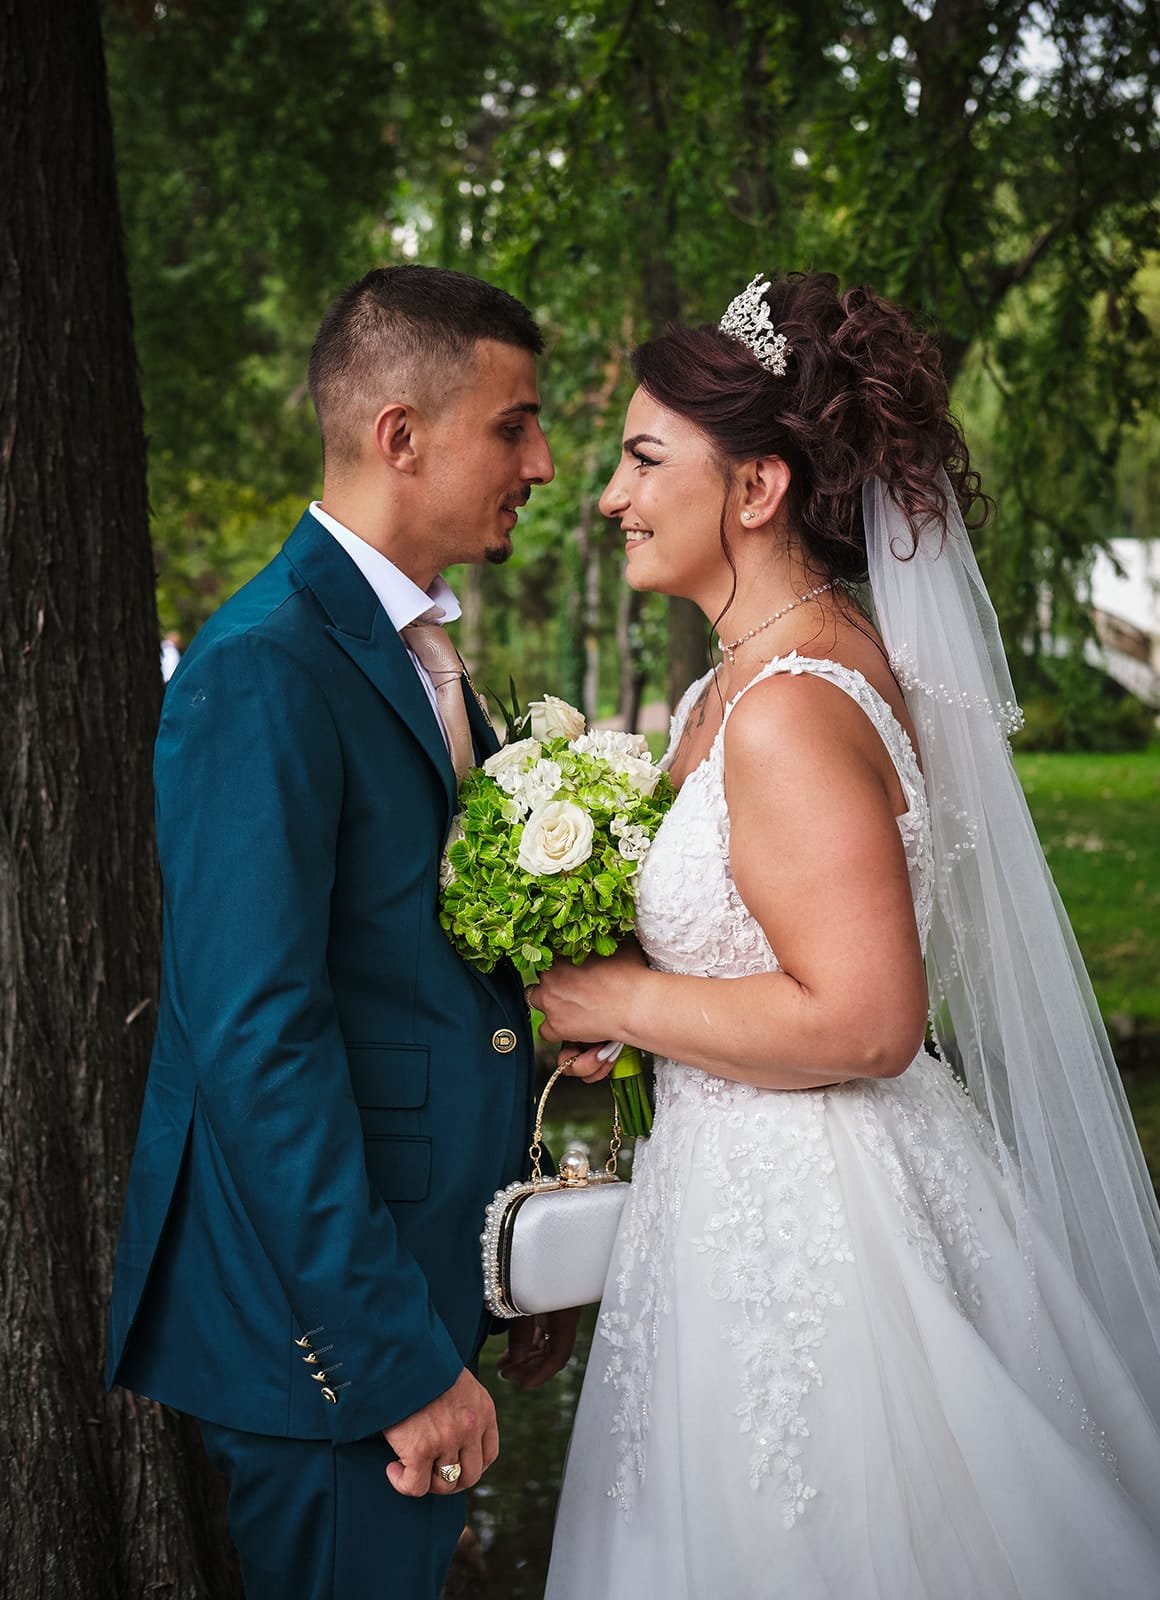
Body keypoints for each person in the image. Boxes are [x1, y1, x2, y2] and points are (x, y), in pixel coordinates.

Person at [530, 272, 1160, 1598]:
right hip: (732, 1193)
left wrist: (619, 1003)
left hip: (816, 1225)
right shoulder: (731, 686)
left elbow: (869, 1020)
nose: (609, 496)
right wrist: (645, 1011)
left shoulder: (788, 705)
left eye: (644, 460)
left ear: (756, 488)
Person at [105, 265, 578, 1600]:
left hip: (423, 1270)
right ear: (400, 435)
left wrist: (510, 1255)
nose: (543, 464)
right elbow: (258, 1040)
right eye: (514, 425)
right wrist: (395, 1361)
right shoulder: (265, 664)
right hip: (327, 1336)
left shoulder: (408, 645)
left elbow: (425, 984)